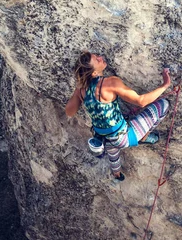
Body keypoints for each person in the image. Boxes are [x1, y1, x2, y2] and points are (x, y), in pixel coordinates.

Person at [65, 51, 171, 181]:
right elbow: (141, 101)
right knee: (164, 105)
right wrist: (165, 85)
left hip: (103, 136)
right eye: (97, 60)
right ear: (94, 73)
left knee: (112, 147)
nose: (100, 57)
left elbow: (69, 112)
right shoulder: (111, 83)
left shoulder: (81, 90)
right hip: (123, 137)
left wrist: (78, 90)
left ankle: (117, 174)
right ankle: (144, 136)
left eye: (97, 56)